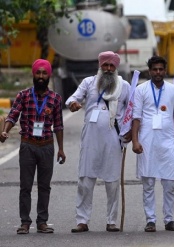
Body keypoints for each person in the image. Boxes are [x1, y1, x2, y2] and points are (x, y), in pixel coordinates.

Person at [66, 51, 131, 233]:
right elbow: (73, 98)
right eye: (105, 65)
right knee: (85, 180)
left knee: (112, 182)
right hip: (91, 137)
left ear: (116, 67)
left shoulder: (124, 86)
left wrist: (130, 133)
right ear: (100, 66)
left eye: (111, 66)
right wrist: (72, 104)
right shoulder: (88, 82)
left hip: (113, 137)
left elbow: (131, 109)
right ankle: (82, 221)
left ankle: (111, 221)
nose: (108, 69)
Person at [0, 59, 66, 234]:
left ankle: (42, 222)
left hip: (47, 147)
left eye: (44, 73)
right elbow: (13, 115)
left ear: (49, 75)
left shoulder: (55, 99)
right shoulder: (23, 95)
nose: (41, 76)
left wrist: (61, 148)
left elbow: (58, 125)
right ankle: (25, 222)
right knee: (25, 186)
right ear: (33, 74)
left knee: (45, 186)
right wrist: (5, 131)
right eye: (38, 73)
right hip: (28, 146)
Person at [131, 56, 174, 232]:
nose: (158, 72)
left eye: (160, 69)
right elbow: (136, 117)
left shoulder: (173, 90)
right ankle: (150, 220)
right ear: (149, 71)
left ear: (165, 70)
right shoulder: (141, 90)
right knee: (148, 183)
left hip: (168, 142)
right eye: (154, 69)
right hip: (147, 142)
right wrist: (135, 141)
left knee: (169, 184)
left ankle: (169, 219)